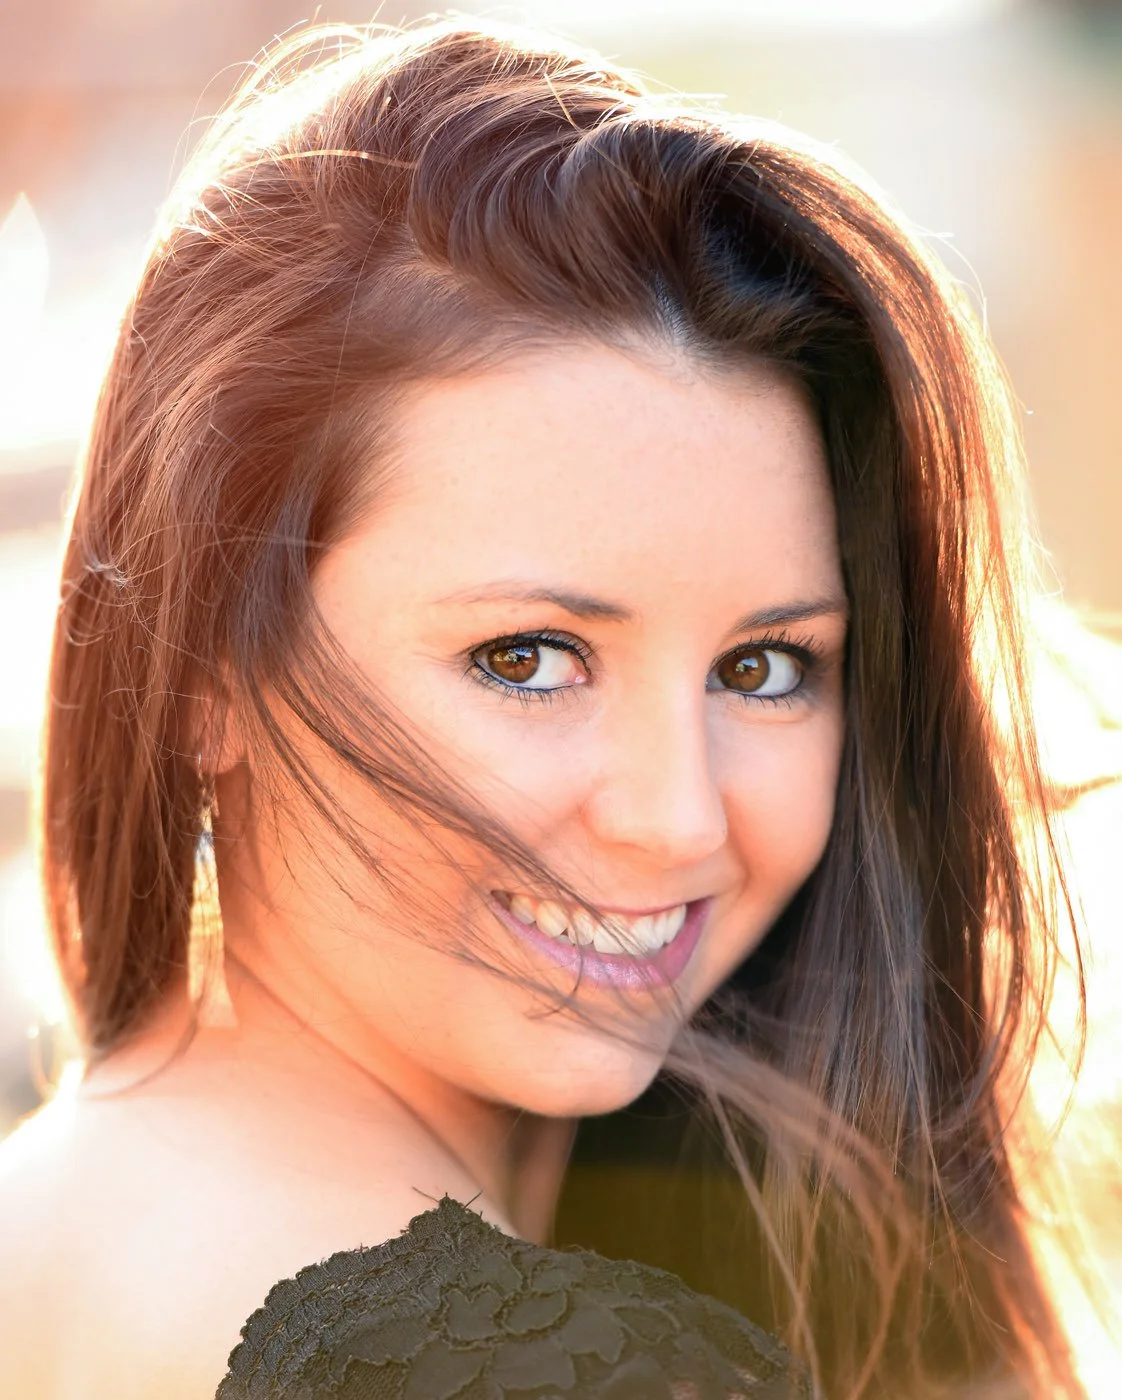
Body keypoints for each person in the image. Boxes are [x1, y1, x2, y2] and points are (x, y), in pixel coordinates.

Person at [0, 14, 1100, 1398]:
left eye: (763, 669)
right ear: (203, 669)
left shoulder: (61, 1209)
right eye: (526, 658)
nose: (673, 816)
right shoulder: (514, 1367)